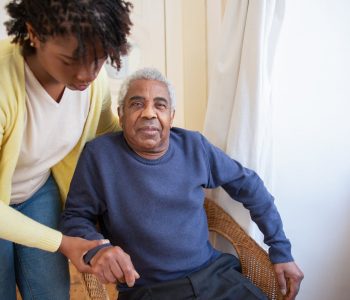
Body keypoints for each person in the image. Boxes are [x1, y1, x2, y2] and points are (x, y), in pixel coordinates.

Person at [60, 68, 304, 300]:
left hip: (215, 277)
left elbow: (249, 186)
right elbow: (74, 218)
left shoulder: (194, 146)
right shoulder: (99, 155)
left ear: (171, 116)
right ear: (121, 114)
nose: (148, 113)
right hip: (149, 290)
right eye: (136, 104)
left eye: (160, 105)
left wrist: (280, 249)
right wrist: (98, 249)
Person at [0, 1, 132, 299]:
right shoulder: (3, 82)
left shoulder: (93, 86)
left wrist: (168, 151)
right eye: (70, 60)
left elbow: (108, 133)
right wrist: (62, 243)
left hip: (36, 190)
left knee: (51, 293)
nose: (86, 73)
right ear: (34, 32)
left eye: (98, 60)